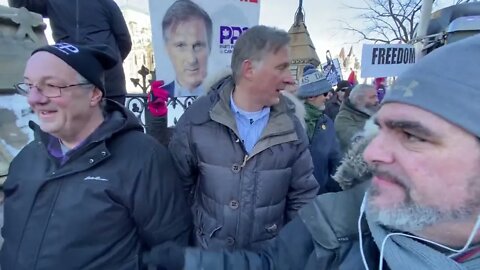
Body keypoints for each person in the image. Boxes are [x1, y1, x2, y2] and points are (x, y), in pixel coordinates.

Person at [144, 33, 480, 270]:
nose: (371, 153)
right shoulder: (343, 219)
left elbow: (302, 190)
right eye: (383, 128)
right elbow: (276, 262)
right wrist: (189, 257)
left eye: (411, 135)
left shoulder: (293, 127)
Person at [0, 42, 191, 269]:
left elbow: (171, 253)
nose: (33, 99)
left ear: (93, 94)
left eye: (50, 86)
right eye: (29, 86)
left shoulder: (143, 159)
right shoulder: (26, 158)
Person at [168, 25, 319, 252]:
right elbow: (177, 190)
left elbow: (303, 197)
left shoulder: (292, 127)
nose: (289, 79)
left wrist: (290, 251)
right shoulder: (198, 120)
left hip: (267, 260)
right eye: (281, 68)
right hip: (210, 259)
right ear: (249, 69)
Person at [8, 0, 132, 105]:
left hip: (108, 84)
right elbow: (21, 5)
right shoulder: (54, 2)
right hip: (73, 83)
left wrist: (109, 63)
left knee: (114, 127)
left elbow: (124, 40)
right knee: (80, 129)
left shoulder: (105, 2)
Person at [297, 64, 341, 194]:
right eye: (325, 93)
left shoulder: (327, 122)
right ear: (311, 96)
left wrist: (336, 187)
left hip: (321, 195)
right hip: (295, 198)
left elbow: (335, 157)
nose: (328, 97)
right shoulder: (292, 120)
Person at [162, 0, 212, 97]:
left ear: (209, 47)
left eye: (198, 46)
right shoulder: (155, 99)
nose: (191, 59)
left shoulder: (225, 98)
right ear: (167, 49)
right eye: (181, 45)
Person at [335, 83, 379, 153]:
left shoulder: (375, 113)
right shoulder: (343, 118)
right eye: (372, 97)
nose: (377, 100)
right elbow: (357, 141)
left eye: (376, 96)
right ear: (359, 99)